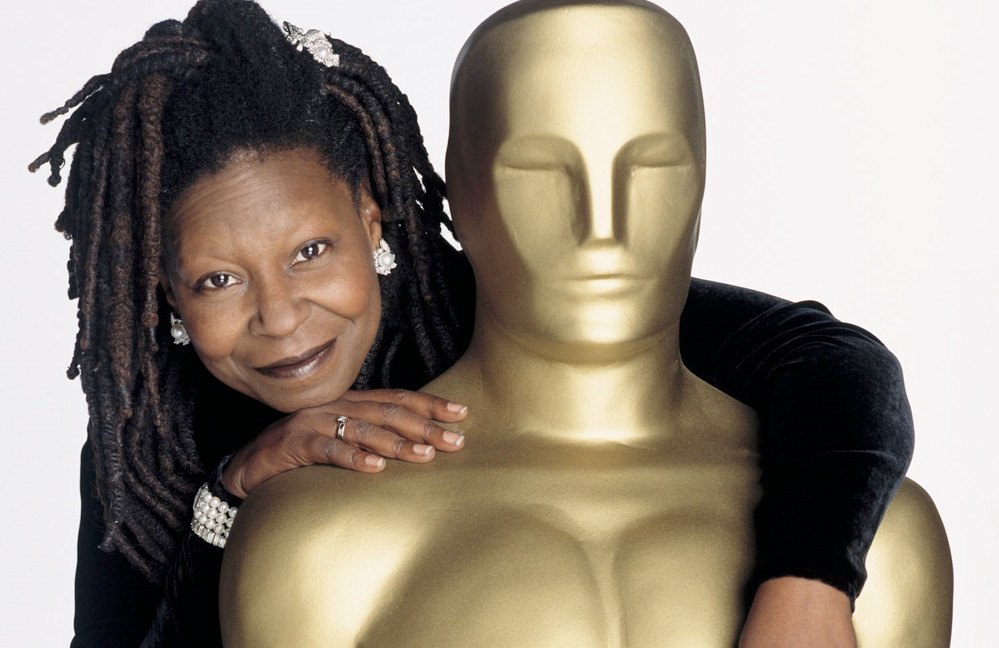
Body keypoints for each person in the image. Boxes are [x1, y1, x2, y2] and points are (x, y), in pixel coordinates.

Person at [31, 0, 914, 645]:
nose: (280, 317)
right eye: (218, 279)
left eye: (310, 251)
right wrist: (229, 495)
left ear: (372, 221)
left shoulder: (502, 300)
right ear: (166, 295)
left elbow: (836, 363)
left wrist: (809, 577)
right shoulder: (147, 439)